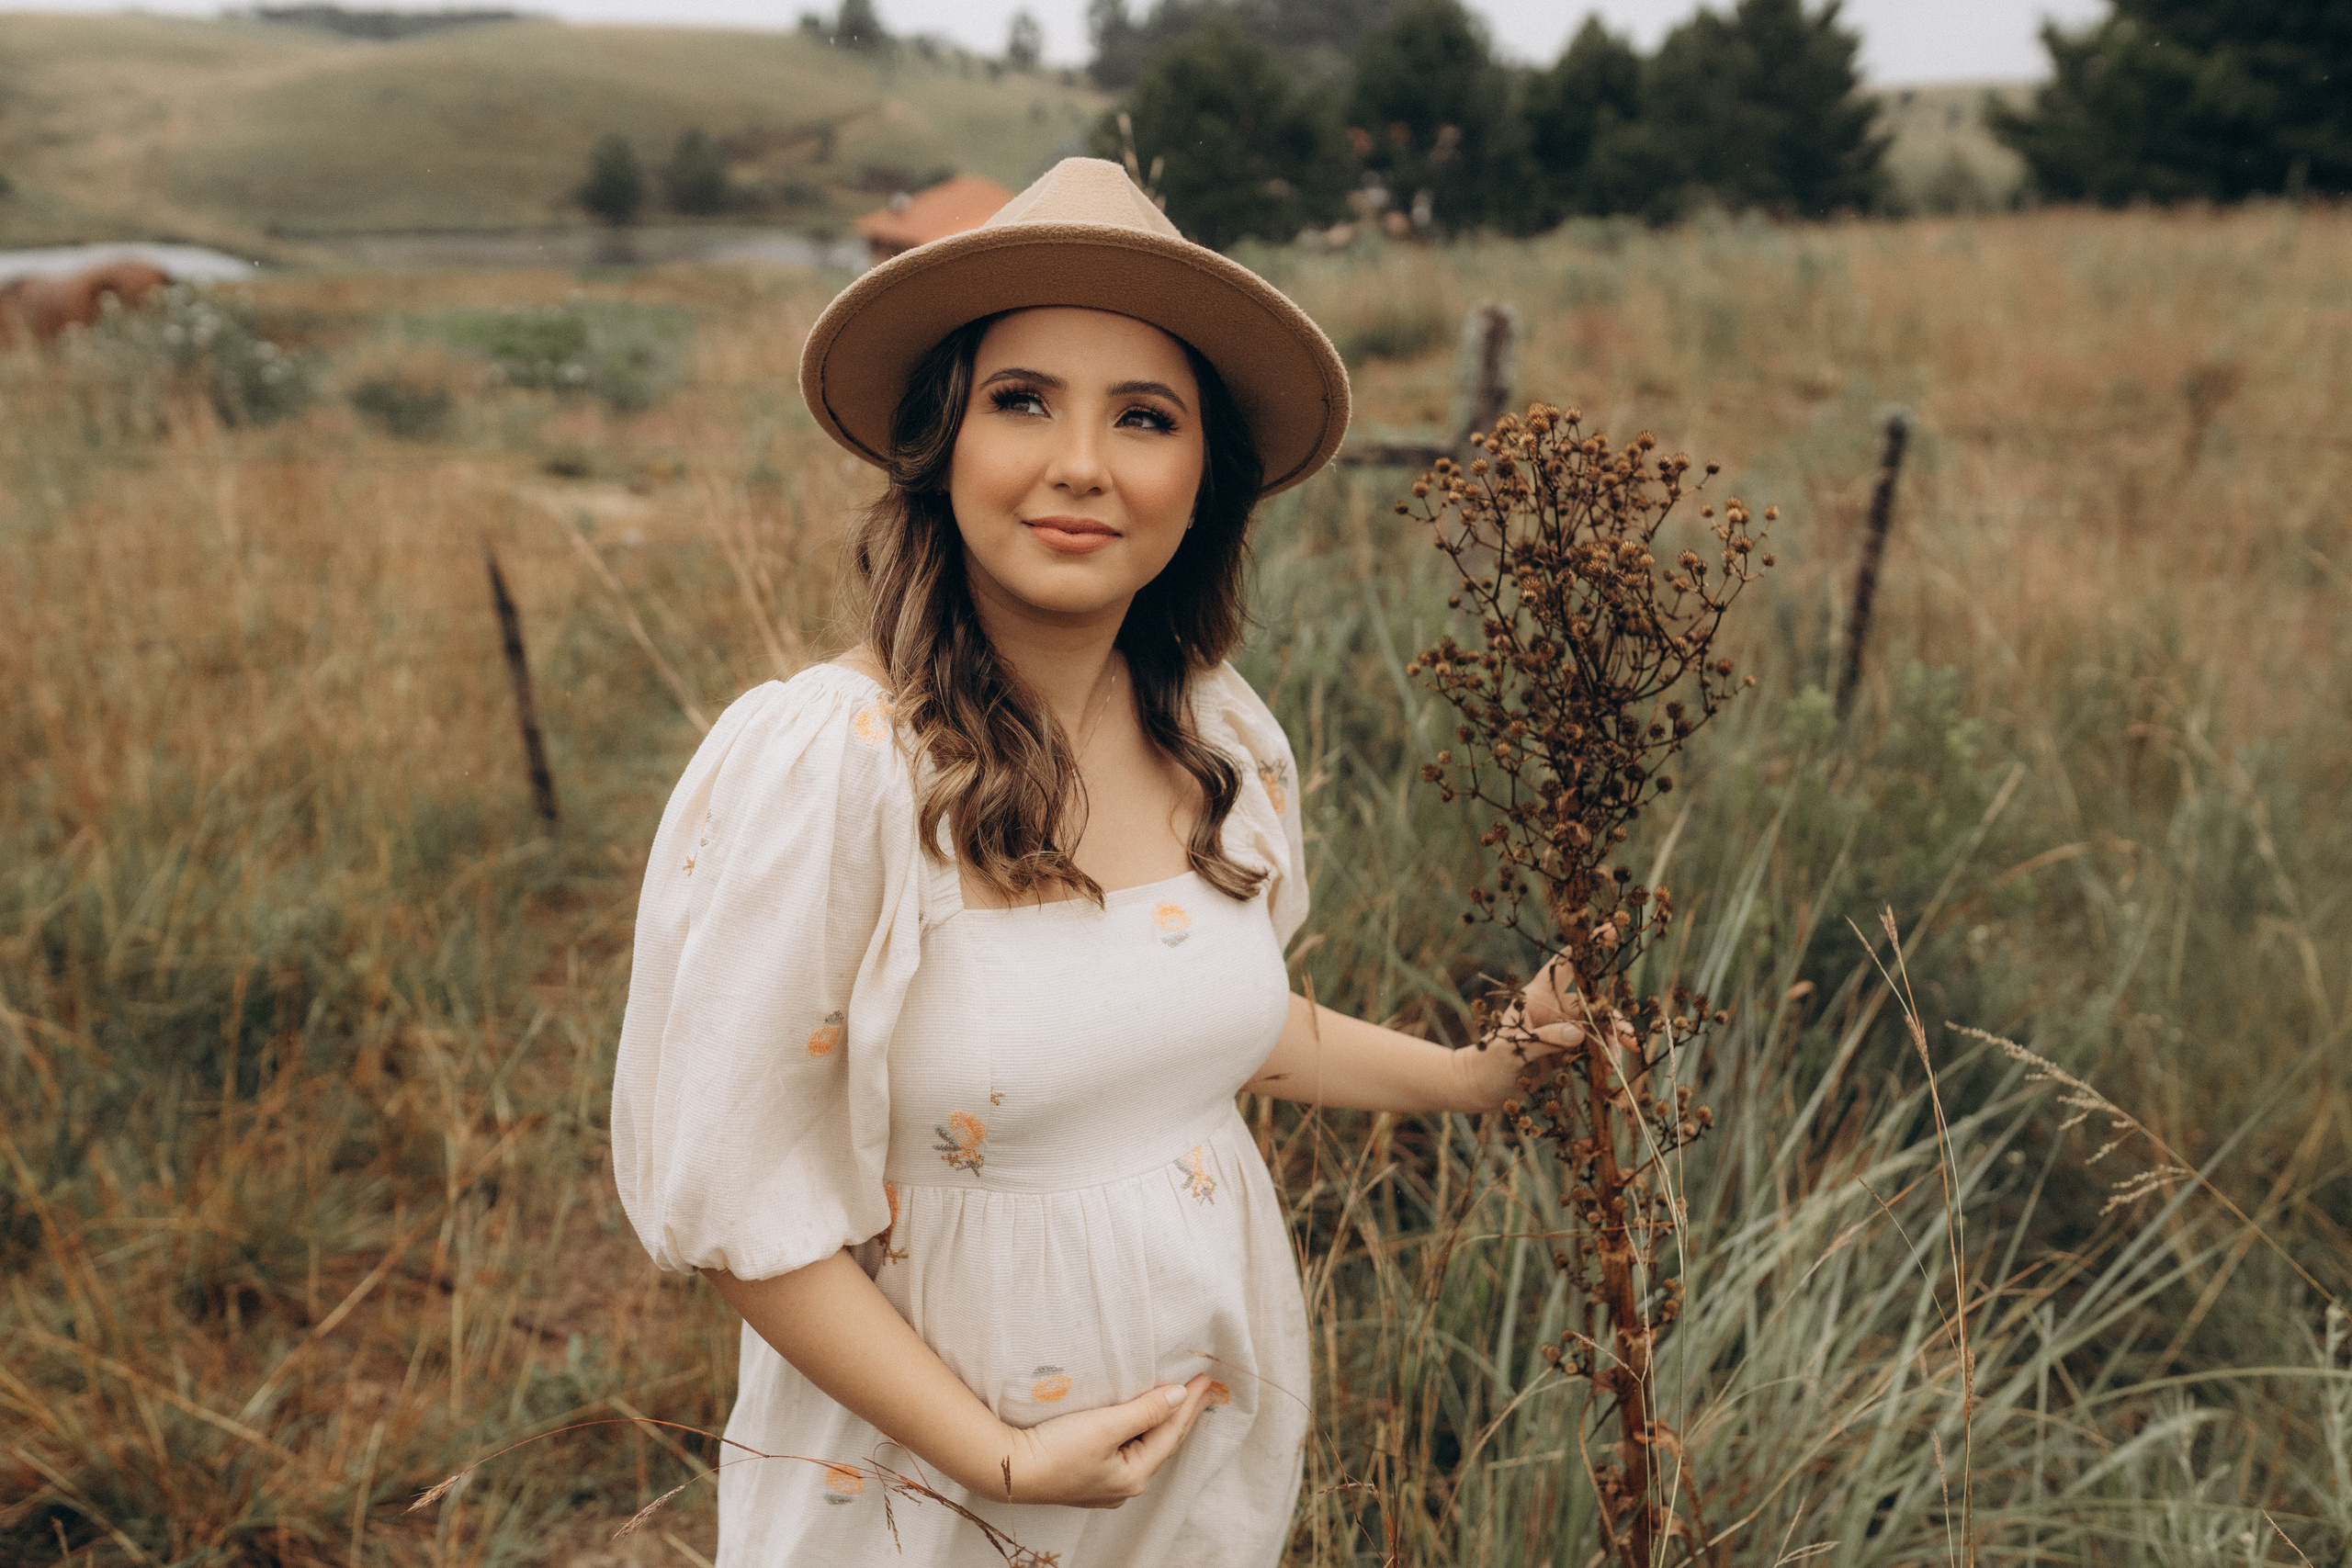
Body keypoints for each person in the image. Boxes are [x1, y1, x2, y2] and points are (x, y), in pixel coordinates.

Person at [610, 158, 1586, 1568]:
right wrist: (994, 1453)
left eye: (1145, 416)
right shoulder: (836, 766)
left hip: (1193, 1470)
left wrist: (1475, 1075)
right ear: (939, 446)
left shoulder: (1216, 736)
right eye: (1023, 402)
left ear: (1203, 479)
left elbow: (1210, 1031)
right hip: (923, 1489)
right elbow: (746, 1209)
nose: (1082, 464)